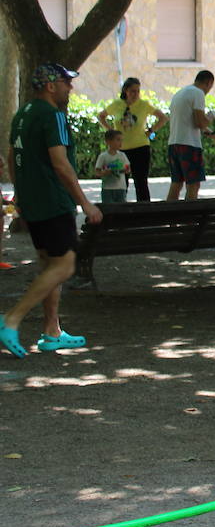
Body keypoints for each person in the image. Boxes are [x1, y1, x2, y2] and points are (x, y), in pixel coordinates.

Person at [0, 63, 103, 359]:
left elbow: (11, 155)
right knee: (65, 266)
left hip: (32, 201)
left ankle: (52, 331)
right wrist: (84, 202)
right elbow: (60, 163)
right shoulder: (54, 116)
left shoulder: (22, 114)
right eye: (65, 83)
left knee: (49, 265)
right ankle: (11, 319)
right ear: (50, 86)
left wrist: (21, 194)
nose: (70, 87)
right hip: (54, 201)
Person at [97, 77, 167, 202]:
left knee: (141, 182)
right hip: (122, 149)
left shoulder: (144, 105)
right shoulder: (117, 104)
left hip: (140, 147)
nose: (135, 94)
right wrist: (110, 130)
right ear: (125, 91)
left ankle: (145, 211)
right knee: (121, 182)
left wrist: (151, 130)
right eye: (132, 91)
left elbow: (163, 118)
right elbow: (101, 116)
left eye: (138, 91)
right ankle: (121, 210)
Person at [165, 69, 214, 201]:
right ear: (208, 83)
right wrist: (210, 117)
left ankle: (170, 219)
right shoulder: (198, 93)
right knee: (193, 184)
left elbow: (189, 121)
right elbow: (200, 122)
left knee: (176, 183)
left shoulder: (180, 93)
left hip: (174, 143)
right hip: (189, 145)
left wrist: (208, 130)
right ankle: (190, 219)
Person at [94, 129, 131, 204]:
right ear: (108, 141)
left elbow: (128, 168)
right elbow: (97, 172)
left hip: (121, 187)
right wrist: (104, 172)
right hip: (107, 188)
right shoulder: (103, 156)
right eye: (118, 140)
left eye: (121, 140)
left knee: (122, 208)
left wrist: (123, 170)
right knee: (108, 208)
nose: (120, 142)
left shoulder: (122, 155)